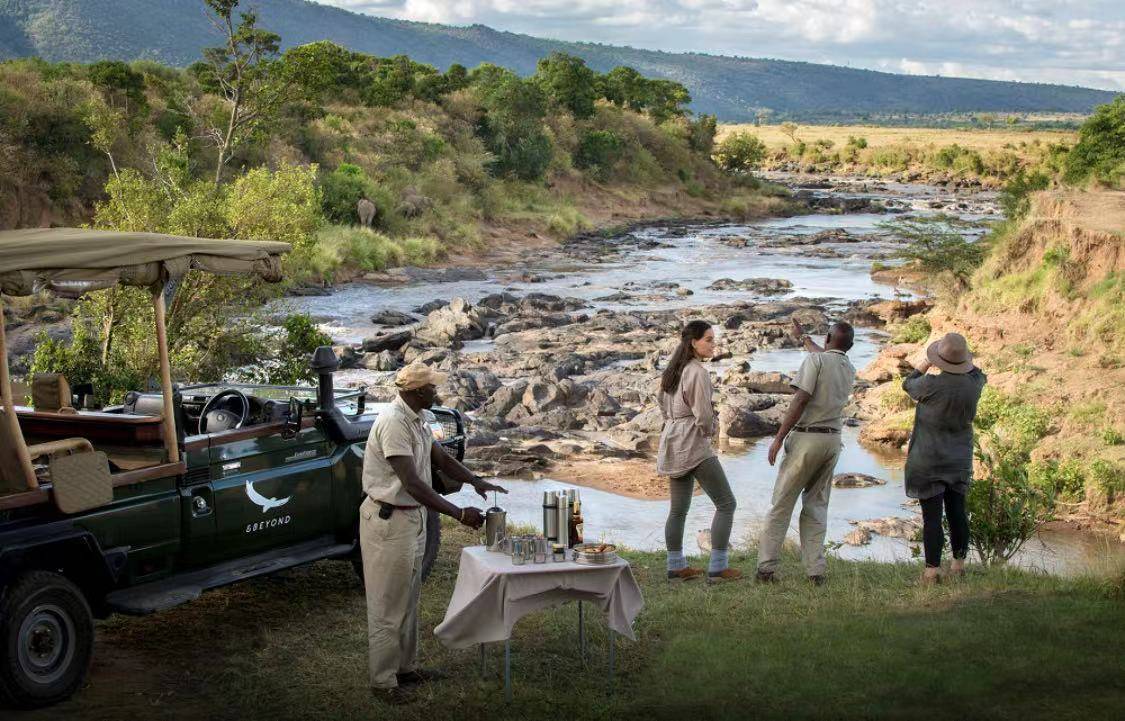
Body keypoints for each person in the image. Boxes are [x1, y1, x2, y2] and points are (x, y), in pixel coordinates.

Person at [361, 363, 506, 705]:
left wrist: (475, 480)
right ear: (414, 391)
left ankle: (405, 668)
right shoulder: (395, 423)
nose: (437, 392)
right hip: (390, 520)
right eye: (431, 388)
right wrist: (458, 513)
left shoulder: (417, 417)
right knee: (387, 604)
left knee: (408, 599)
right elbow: (412, 483)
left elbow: (439, 458)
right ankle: (383, 682)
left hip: (412, 519)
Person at [756, 319, 856, 585]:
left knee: (782, 504)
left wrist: (779, 438)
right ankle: (815, 572)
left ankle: (766, 569)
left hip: (807, 440)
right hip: (833, 442)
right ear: (851, 345)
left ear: (827, 338)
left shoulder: (816, 362)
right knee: (817, 506)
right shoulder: (848, 367)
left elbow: (800, 399)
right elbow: (821, 357)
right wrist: (803, 338)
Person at [656, 320, 741, 583]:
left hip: (672, 440)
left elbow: (661, 404)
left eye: (713, 339)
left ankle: (675, 567)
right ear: (693, 342)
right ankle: (717, 567)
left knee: (678, 510)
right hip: (693, 443)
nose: (713, 344)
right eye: (708, 339)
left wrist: (675, 426)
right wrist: (710, 432)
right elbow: (703, 415)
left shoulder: (672, 370)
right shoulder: (697, 372)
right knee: (727, 503)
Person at [903, 332, 987, 584]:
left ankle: (931, 571)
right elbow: (979, 373)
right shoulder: (974, 384)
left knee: (932, 516)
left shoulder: (930, 384)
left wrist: (926, 364)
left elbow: (908, 383)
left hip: (928, 459)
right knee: (957, 512)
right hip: (959, 457)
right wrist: (965, 363)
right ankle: (958, 565)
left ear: (940, 360)